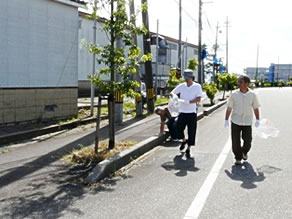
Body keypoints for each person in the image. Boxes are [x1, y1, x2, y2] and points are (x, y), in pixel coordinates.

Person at [224, 75, 260, 165]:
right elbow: (229, 108)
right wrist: (226, 120)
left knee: (248, 141)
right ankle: (238, 157)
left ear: (246, 84)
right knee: (235, 141)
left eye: (241, 82)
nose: (238, 83)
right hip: (236, 120)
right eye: (238, 82)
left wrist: (258, 119)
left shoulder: (252, 95)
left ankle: (244, 152)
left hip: (247, 121)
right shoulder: (234, 94)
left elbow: (255, 107)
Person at [170, 69, 203, 158]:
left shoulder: (197, 86)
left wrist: (189, 102)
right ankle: (184, 140)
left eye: (188, 78)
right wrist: (175, 96)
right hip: (182, 111)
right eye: (185, 78)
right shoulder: (182, 86)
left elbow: (199, 98)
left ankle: (188, 148)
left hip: (191, 112)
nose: (186, 80)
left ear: (192, 78)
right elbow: (172, 92)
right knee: (178, 128)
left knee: (191, 131)